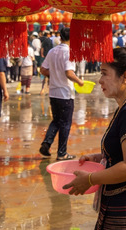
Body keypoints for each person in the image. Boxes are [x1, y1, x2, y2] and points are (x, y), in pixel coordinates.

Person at [64, 43, 126, 229]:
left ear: (125, 77)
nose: (100, 80)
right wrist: (101, 157)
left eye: (104, 73)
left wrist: (90, 179)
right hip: (124, 205)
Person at [39, 27, 83, 160]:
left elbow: (43, 70)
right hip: (65, 93)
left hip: (53, 92)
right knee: (65, 123)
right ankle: (62, 153)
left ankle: (46, 144)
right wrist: (79, 81)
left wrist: (55, 74)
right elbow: (69, 73)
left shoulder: (53, 51)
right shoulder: (69, 52)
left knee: (57, 120)